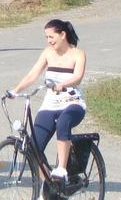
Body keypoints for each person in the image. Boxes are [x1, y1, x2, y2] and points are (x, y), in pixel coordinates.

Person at [6, 19, 86, 180]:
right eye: (46, 38)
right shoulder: (48, 53)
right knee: (34, 148)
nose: (49, 41)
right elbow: (32, 75)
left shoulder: (78, 54)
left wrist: (62, 84)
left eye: (51, 37)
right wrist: (15, 91)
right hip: (50, 105)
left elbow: (77, 77)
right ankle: (49, 185)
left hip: (72, 103)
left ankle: (62, 169)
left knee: (64, 123)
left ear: (63, 34)